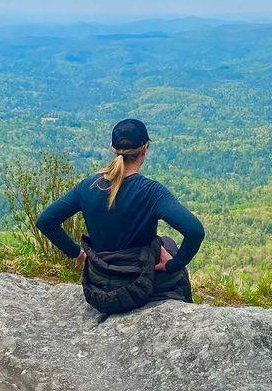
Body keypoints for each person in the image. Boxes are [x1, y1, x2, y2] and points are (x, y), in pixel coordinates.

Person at [34, 118, 205, 314]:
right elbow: (194, 231)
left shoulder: (89, 186)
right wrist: (173, 264)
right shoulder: (151, 192)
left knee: (164, 242)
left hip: (97, 288)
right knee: (168, 244)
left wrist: (78, 254)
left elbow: (46, 221)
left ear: (112, 148)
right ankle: (183, 310)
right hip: (140, 284)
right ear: (145, 149)